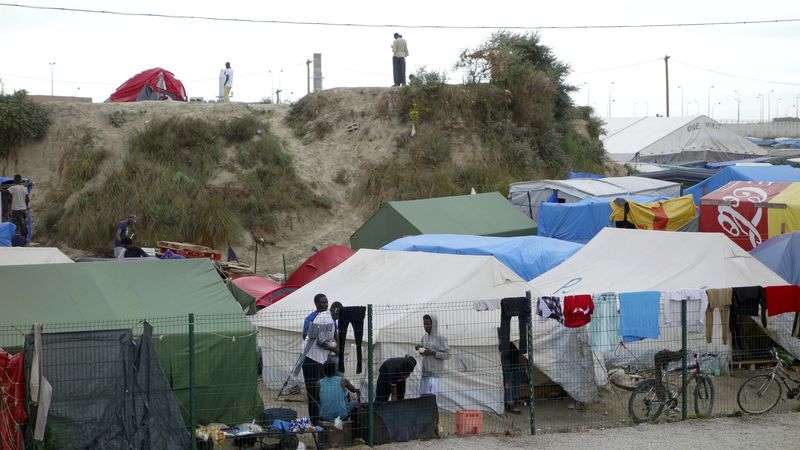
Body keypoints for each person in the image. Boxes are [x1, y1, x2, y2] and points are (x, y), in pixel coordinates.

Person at [302, 294, 338, 424]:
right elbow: (306, 336)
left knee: (325, 388)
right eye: (322, 303)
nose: (325, 305)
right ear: (316, 303)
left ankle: (324, 416)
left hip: (324, 358)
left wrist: (336, 347)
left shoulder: (330, 317)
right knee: (313, 389)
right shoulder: (311, 318)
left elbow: (335, 332)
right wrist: (333, 349)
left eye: (326, 302)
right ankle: (315, 420)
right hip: (313, 357)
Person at [415, 314, 450, 397]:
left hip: (435, 374)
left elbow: (448, 355)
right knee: (423, 396)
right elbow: (424, 353)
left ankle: (433, 410)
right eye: (424, 324)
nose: (425, 326)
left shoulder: (440, 338)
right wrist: (420, 349)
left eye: (428, 324)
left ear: (433, 324)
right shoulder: (424, 337)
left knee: (432, 398)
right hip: (425, 372)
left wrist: (433, 353)